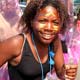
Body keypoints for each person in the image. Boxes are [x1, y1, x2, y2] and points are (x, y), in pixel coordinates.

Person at [0, 0, 77, 80]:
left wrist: (67, 72)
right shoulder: (17, 44)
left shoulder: (55, 41)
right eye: (43, 21)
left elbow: (60, 73)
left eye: (55, 23)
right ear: (31, 21)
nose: (49, 28)